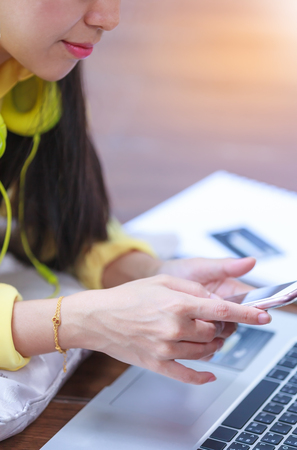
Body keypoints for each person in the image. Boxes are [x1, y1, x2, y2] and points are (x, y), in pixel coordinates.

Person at [0, 0, 271, 387]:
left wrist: (148, 273)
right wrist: (86, 321)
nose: (108, 19)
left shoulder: (32, 73)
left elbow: (55, 215)